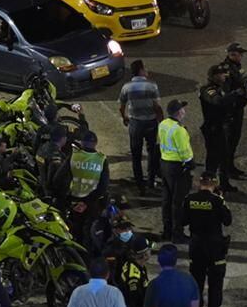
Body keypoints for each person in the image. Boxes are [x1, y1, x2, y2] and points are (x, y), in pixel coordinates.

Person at [180, 171, 233, 307]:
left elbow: (182, 221)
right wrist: (222, 200)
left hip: (196, 247)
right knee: (215, 285)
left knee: (196, 284)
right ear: (214, 184)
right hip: (215, 249)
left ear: (199, 183)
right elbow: (228, 221)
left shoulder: (189, 200)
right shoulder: (217, 200)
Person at [119, 60, 163, 194]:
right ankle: (150, 181)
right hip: (150, 122)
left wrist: (125, 118)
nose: (147, 70)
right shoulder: (151, 86)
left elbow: (121, 107)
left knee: (136, 155)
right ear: (141, 70)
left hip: (135, 124)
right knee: (152, 152)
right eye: (145, 68)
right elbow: (157, 106)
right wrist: (161, 120)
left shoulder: (126, 87)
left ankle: (140, 185)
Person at [158, 99, 195, 242]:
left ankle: (167, 230)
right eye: (183, 109)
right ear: (179, 112)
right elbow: (184, 150)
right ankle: (177, 234)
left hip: (165, 164)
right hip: (177, 167)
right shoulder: (179, 130)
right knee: (177, 202)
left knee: (166, 200)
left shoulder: (163, 124)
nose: (184, 111)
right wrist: (190, 163)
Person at [66, 131, 110, 248]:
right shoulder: (101, 159)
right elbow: (103, 186)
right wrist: (86, 202)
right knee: (90, 231)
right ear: (95, 143)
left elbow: (61, 179)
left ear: (81, 143)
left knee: (75, 230)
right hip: (91, 203)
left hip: (73, 201)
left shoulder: (73, 156)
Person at [198, 65, 238, 192]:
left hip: (219, 127)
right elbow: (218, 101)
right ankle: (207, 188)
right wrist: (234, 95)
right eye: (221, 74)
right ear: (214, 76)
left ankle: (224, 183)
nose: (224, 76)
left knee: (224, 157)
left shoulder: (218, 88)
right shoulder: (208, 90)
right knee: (212, 160)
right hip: (212, 128)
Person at [216, 43, 247, 177]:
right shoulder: (226, 69)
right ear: (231, 54)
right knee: (229, 141)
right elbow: (225, 93)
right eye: (239, 54)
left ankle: (229, 166)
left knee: (234, 139)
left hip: (237, 109)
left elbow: (243, 78)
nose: (241, 56)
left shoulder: (237, 67)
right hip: (230, 111)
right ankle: (225, 169)